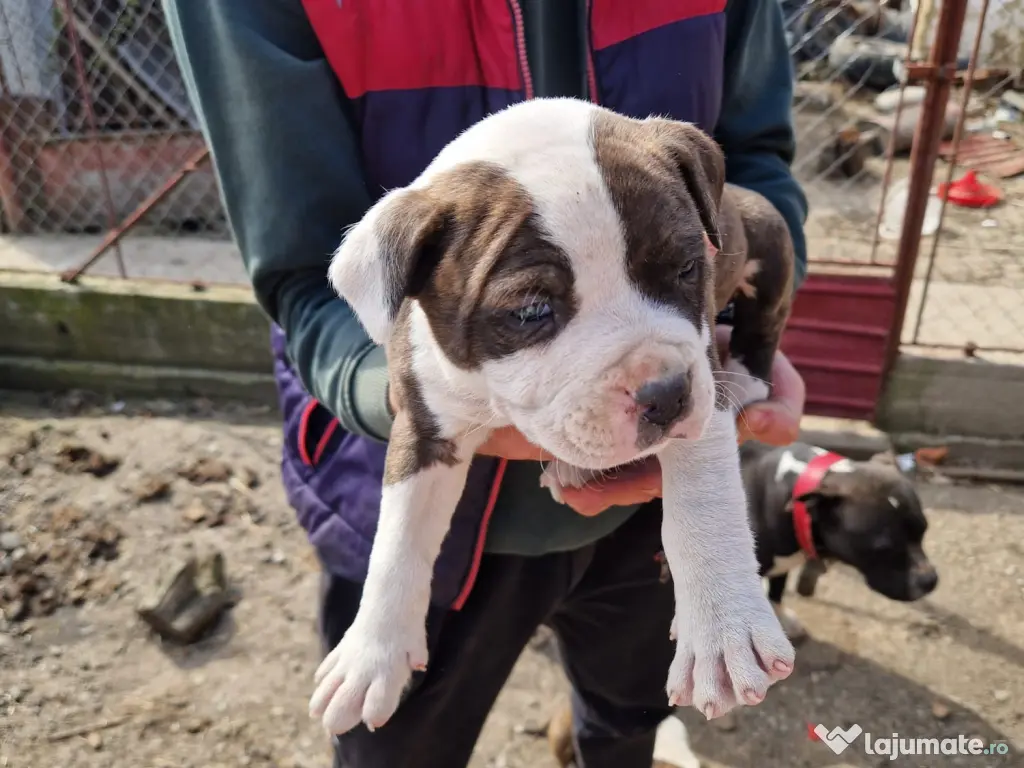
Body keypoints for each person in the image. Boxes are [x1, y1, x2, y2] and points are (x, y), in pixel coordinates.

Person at [164, 1, 809, 766]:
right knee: (396, 741)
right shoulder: (423, 267)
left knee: (628, 718)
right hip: (423, 515)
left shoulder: (671, 194)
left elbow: (752, 165)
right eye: (534, 311)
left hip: (644, 524)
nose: (655, 376)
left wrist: (742, 347)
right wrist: (387, 387)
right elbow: (312, 280)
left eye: (678, 268)